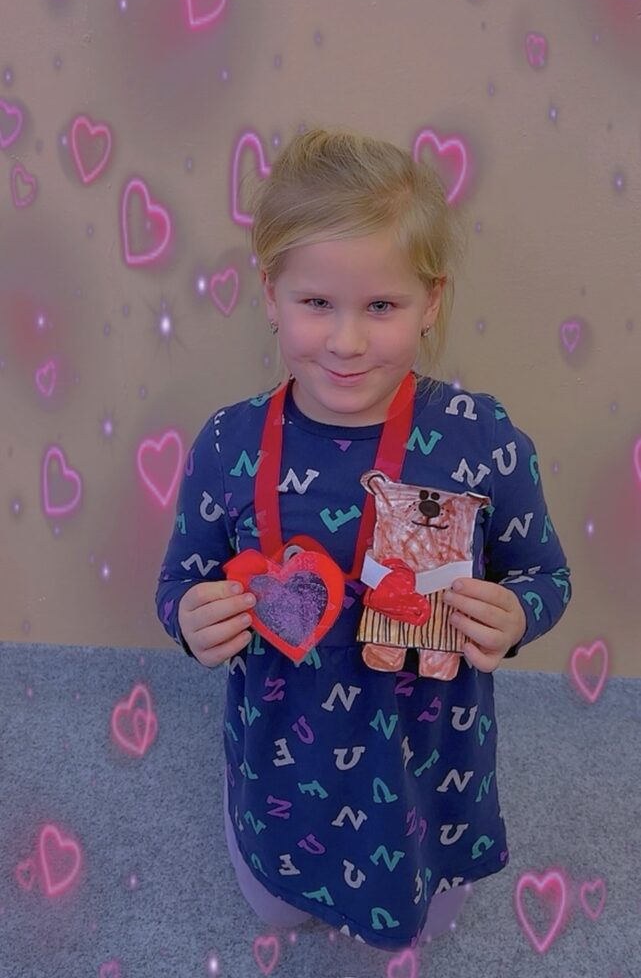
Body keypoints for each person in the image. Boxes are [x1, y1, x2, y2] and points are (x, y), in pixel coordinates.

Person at [155, 126, 572, 953]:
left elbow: (544, 575)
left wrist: (518, 614)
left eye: (381, 306)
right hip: (282, 770)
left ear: (431, 302)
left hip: (427, 773)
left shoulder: (481, 438)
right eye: (316, 303)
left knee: (423, 923)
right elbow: (178, 583)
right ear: (270, 294)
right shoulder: (227, 444)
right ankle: (268, 841)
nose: (346, 342)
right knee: (276, 908)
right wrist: (189, 622)